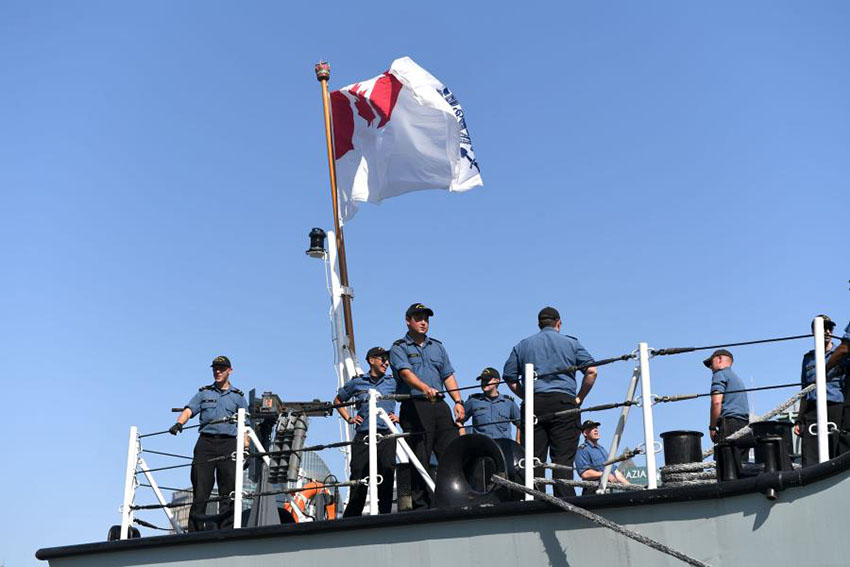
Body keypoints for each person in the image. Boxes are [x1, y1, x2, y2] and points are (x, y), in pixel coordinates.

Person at [502, 306, 598, 497]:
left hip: (535, 404)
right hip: (564, 403)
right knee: (563, 460)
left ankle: (536, 500)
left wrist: (526, 396)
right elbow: (592, 371)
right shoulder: (571, 343)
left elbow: (510, 378)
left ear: (539, 324)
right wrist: (579, 398)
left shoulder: (523, 345)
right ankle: (565, 501)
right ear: (558, 323)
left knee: (534, 459)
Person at [389, 303, 465, 509]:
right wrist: (424, 388)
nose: (423, 322)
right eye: (418, 318)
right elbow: (405, 374)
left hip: (439, 405)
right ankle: (421, 506)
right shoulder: (399, 348)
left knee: (451, 452)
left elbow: (448, 375)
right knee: (420, 456)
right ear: (408, 321)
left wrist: (458, 401)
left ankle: (454, 499)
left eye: (426, 319)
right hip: (415, 405)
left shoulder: (437, 347)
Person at [169, 355, 249, 532]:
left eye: (221, 369)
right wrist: (179, 424)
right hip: (206, 443)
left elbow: (245, 426)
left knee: (228, 490)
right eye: (215, 369)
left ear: (230, 371)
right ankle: (195, 530)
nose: (218, 372)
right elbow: (189, 410)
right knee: (201, 488)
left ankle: (226, 529)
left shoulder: (238, 397)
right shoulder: (204, 393)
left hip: (228, 444)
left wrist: (246, 448)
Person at [333, 346, 399, 516]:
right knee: (358, 476)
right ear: (371, 361)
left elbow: (409, 397)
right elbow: (338, 401)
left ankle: (385, 517)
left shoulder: (393, 382)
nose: (386, 363)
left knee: (386, 473)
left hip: (386, 435)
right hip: (363, 436)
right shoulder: (357, 383)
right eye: (382, 359)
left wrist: (399, 417)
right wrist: (349, 418)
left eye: (387, 360)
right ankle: (351, 520)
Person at [796, 316, 845, 466]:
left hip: (836, 406)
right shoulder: (808, 358)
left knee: (837, 451)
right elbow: (804, 389)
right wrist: (799, 418)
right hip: (813, 408)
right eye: (823, 328)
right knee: (809, 454)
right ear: (814, 331)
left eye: (830, 328)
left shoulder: (842, 354)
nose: (827, 332)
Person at [706, 349, 751, 460]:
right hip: (745, 428)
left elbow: (716, 402)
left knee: (725, 466)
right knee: (741, 467)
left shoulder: (719, 374)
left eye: (711, 363)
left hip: (729, 426)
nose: (711, 368)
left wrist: (712, 428)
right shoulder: (737, 380)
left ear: (719, 359)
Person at [458, 367, 521, 442]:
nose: (484, 383)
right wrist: (464, 441)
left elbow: (520, 424)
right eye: (482, 380)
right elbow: (459, 421)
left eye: (487, 380)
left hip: (503, 446)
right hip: (482, 446)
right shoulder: (473, 401)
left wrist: (518, 443)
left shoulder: (508, 403)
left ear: (497, 380)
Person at [574, 420, 630, 495]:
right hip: (593, 491)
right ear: (585, 433)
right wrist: (604, 474)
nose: (595, 430)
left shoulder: (602, 449)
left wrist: (631, 486)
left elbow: (614, 471)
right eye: (591, 428)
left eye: (596, 428)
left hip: (608, 490)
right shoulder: (582, 450)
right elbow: (584, 473)